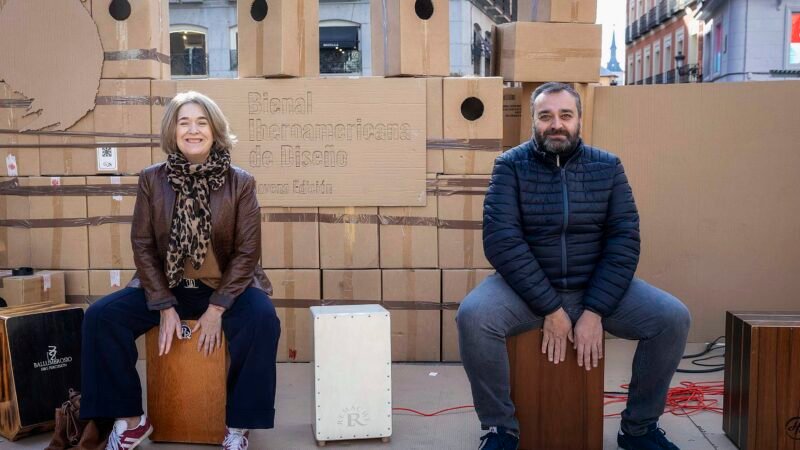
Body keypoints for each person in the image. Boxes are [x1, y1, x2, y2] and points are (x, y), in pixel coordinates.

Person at [457, 82, 690, 450]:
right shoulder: (509, 166)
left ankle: (639, 429)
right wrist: (550, 307)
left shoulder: (608, 167)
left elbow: (624, 240)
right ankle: (500, 428)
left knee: (672, 318)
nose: (556, 124)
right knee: (473, 316)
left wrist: (595, 310)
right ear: (533, 122)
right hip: (526, 291)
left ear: (579, 119)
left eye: (565, 115)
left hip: (594, 287)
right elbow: (502, 241)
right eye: (545, 116)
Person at [80, 91, 280, 450]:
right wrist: (164, 304)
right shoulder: (151, 179)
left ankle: (238, 425)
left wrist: (218, 308)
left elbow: (247, 251)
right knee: (101, 317)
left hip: (224, 287)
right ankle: (129, 421)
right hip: (167, 286)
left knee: (262, 319)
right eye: (184, 122)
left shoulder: (241, 182)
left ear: (215, 130)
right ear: (172, 131)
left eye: (201, 122)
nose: (193, 130)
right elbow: (142, 244)